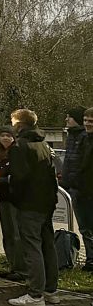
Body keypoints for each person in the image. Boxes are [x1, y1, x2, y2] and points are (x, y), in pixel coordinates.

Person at [7, 109, 59, 306]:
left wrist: (15, 197)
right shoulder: (43, 143)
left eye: (13, 122)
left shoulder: (20, 146)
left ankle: (35, 294)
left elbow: (19, 178)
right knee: (48, 245)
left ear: (19, 124)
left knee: (32, 247)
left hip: (29, 203)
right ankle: (50, 290)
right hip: (46, 202)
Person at [0, 126, 27, 281]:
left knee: (16, 234)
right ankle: (12, 264)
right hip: (3, 198)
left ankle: (21, 268)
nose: (5, 138)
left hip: (14, 198)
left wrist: (0, 180)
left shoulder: (16, 153)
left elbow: (17, 176)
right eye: (2, 135)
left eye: (8, 136)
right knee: (7, 234)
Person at [61, 106, 91, 270]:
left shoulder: (84, 137)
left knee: (87, 226)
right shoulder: (72, 136)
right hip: (73, 186)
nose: (66, 120)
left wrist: (75, 182)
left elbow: (81, 165)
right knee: (84, 226)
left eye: (69, 117)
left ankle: (90, 260)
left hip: (82, 188)